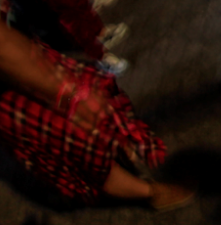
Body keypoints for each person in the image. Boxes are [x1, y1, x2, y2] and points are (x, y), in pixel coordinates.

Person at [0, 23, 192, 210]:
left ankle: (125, 158)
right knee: (84, 148)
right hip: (19, 87)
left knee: (89, 133)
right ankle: (151, 192)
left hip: (29, 70)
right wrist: (70, 96)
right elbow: (5, 47)